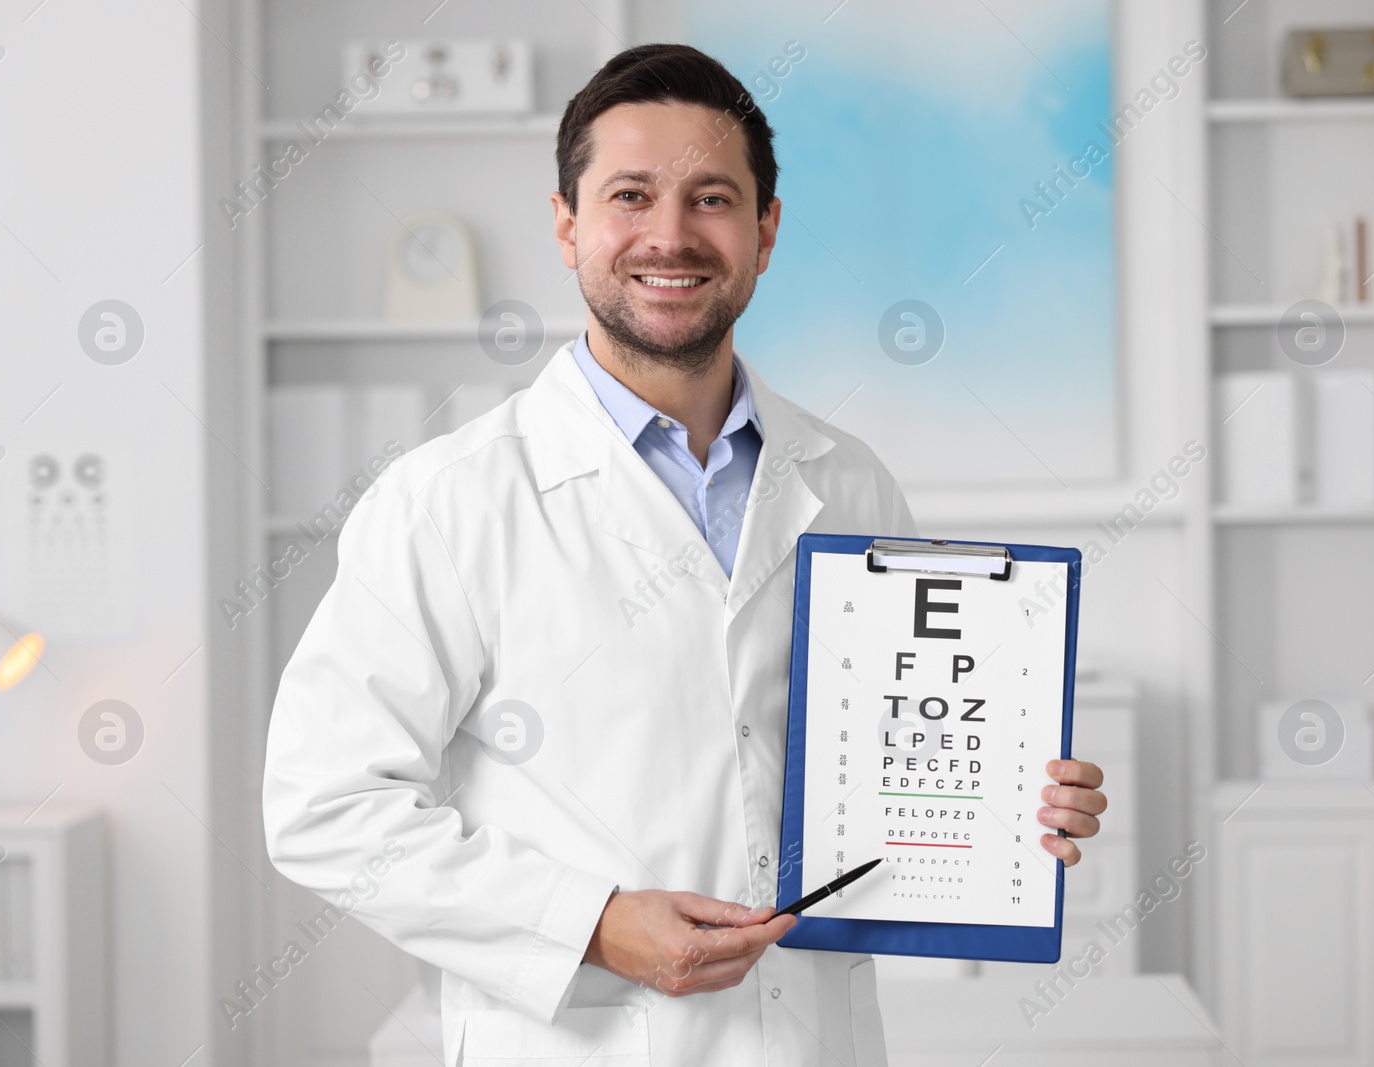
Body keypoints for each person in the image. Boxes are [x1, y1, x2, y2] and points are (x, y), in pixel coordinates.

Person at [263, 42, 1107, 1067]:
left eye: (712, 198)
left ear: (766, 231)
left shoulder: (847, 482)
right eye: (630, 194)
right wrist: (592, 921)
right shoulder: (447, 501)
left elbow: (891, 761)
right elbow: (325, 808)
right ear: (567, 222)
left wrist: (1008, 796)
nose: (670, 234)